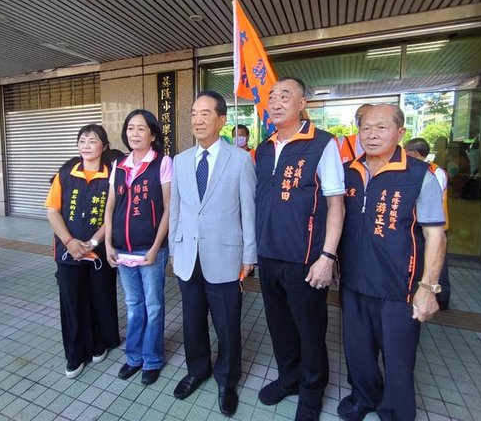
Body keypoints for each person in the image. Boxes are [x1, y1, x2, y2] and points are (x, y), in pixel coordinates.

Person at [338, 104, 446, 421]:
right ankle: (364, 397)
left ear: (400, 133)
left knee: (398, 356)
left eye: (381, 127)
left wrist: (428, 287)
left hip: (399, 285)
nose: (372, 134)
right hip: (354, 280)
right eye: (366, 128)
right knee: (357, 349)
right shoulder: (348, 171)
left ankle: (396, 411)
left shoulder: (419, 175)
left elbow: (436, 235)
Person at [255, 77, 345, 421]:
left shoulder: (322, 143)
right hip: (268, 255)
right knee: (279, 325)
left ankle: (312, 391)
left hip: (306, 259)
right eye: (272, 97)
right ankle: (289, 378)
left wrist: (327, 257)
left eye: (285, 96)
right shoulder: (264, 148)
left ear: (302, 103)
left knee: (309, 329)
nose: (276, 103)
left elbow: (336, 205)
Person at [169, 90, 256, 416]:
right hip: (188, 256)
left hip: (226, 257)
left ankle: (227, 379)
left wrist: (249, 256)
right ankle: (197, 370)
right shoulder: (180, 160)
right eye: (194, 113)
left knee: (227, 323)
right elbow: (176, 209)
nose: (198, 119)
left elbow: (249, 211)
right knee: (192, 320)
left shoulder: (240, 159)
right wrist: (174, 249)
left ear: (221, 120)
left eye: (205, 113)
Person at [44, 124, 120, 379]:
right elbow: (53, 211)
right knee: (72, 301)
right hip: (68, 252)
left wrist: (93, 243)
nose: (87, 145)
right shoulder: (65, 173)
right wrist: (69, 242)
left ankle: (99, 342)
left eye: (93, 140)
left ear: (104, 146)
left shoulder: (112, 175)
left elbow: (113, 213)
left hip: (99, 251)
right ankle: (75, 354)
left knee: (100, 296)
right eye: (82, 140)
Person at [104, 109, 172, 385]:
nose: (135, 133)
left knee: (153, 305)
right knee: (133, 305)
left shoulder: (162, 162)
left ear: (152, 134)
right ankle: (133, 357)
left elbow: (169, 209)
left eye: (141, 128)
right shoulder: (119, 165)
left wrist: (156, 247)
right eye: (131, 128)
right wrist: (108, 244)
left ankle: (152, 359)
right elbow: (110, 206)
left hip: (150, 249)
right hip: (122, 249)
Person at [404, 137, 451, 310]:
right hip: (425, 224)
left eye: (407, 151)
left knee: (437, 263)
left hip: (434, 224)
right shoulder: (427, 169)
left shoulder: (431, 171)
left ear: (415, 153)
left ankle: (441, 297)